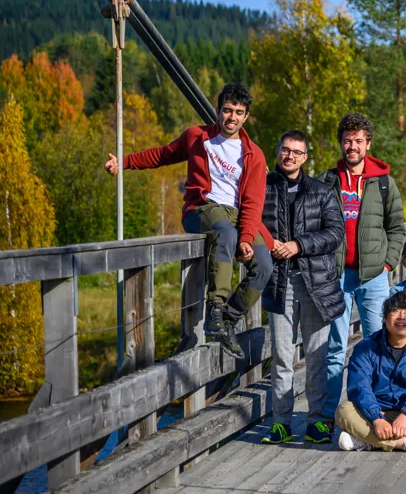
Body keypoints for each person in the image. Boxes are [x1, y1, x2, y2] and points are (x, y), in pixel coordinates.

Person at [105, 82, 270, 360]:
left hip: (237, 216)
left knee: (265, 265)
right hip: (202, 208)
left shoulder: (253, 154)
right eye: (227, 110)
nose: (232, 117)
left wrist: (247, 238)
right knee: (225, 233)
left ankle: (228, 320)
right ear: (218, 111)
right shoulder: (197, 137)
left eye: (239, 112)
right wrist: (125, 161)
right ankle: (215, 308)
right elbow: (162, 154)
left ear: (246, 117)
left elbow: (253, 202)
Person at [260, 130, 347, 446]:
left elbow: (335, 233)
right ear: (278, 151)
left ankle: (318, 422)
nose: (290, 156)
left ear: (305, 157)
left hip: (316, 285)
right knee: (282, 358)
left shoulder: (322, 192)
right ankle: (281, 423)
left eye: (297, 152)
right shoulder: (263, 187)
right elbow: (250, 223)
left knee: (316, 357)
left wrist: (298, 245)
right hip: (280, 283)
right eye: (285, 150)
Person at [321, 113, 406, 425]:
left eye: (358, 141)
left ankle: (377, 411)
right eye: (347, 140)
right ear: (341, 143)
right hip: (335, 275)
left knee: (380, 345)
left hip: (373, 276)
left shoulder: (384, 183)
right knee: (334, 349)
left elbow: (397, 228)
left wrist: (387, 263)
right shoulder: (327, 181)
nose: (352, 146)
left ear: (368, 144)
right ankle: (331, 415)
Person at [335, 291, 406, 453]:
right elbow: (359, 386)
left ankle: (368, 442)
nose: (402, 317)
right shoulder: (366, 347)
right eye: (395, 312)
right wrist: (376, 418)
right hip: (374, 412)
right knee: (344, 411)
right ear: (385, 318)